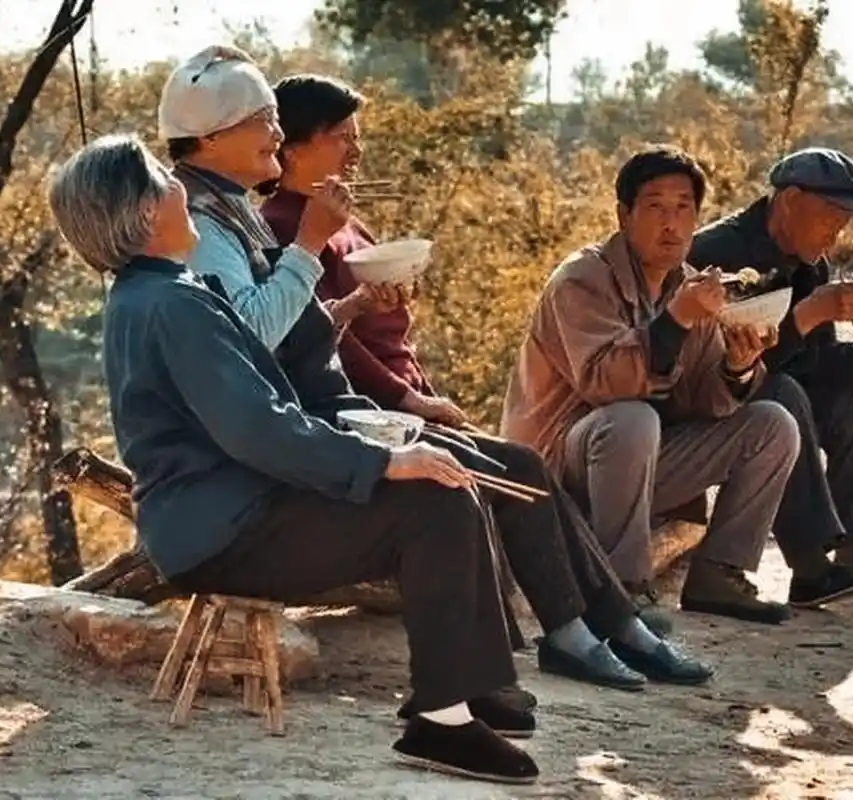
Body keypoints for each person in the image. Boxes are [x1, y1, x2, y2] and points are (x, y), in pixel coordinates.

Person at [159, 61, 711, 692]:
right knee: (469, 482)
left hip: (325, 413)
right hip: (306, 437)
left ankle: (599, 625)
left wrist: (354, 307)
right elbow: (249, 342)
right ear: (209, 138)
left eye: (276, 121)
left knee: (519, 467)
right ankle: (530, 659)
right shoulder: (214, 222)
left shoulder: (234, 211)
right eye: (262, 122)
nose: (274, 135)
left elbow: (288, 329)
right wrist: (317, 257)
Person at [48, 133, 538, 785]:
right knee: (434, 501)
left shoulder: (158, 293)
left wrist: (333, 301)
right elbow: (254, 427)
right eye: (164, 179)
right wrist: (382, 464)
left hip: (228, 516)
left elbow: (263, 381)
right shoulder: (170, 303)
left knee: (447, 483)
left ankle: (466, 692)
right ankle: (441, 722)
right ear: (141, 214)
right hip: (225, 532)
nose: (178, 186)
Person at [501, 144, 853, 625]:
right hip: (558, 468)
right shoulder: (583, 279)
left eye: (684, 209)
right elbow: (604, 386)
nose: (670, 224)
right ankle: (622, 588)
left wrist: (737, 368)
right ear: (624, 215)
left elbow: (701, 400)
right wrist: (675, 321)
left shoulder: (691, 285)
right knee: (630, 419)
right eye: (655, 207)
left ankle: (719, 572)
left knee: (771, 421)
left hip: (639, 466)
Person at [686, 146, 853, 600]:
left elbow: (814, 363)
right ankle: (809, 564)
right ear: (789, 200)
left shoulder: (811, 264)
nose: (834, 237)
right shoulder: (714, 252)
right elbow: (725, 365)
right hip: (707, 405)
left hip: (771, 393)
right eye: (830, 220)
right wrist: (807, 314)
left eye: (843, 225)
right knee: (782, 393)